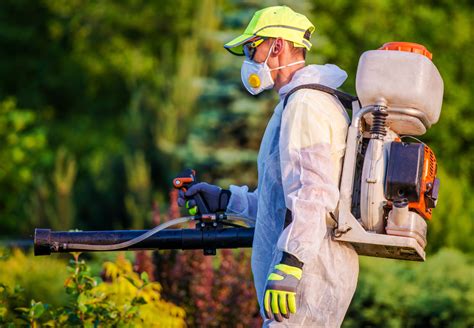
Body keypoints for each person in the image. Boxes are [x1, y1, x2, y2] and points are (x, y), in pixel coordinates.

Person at [178, 5, 359, 327]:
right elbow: (280, 203)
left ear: (276, 45)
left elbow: (315, 194)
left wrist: (291, 262)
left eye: (252, 47)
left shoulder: (306, 104)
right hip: (303, 273)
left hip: (308, 277)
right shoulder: (296, 102)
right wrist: (225, 201)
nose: (248, 58)